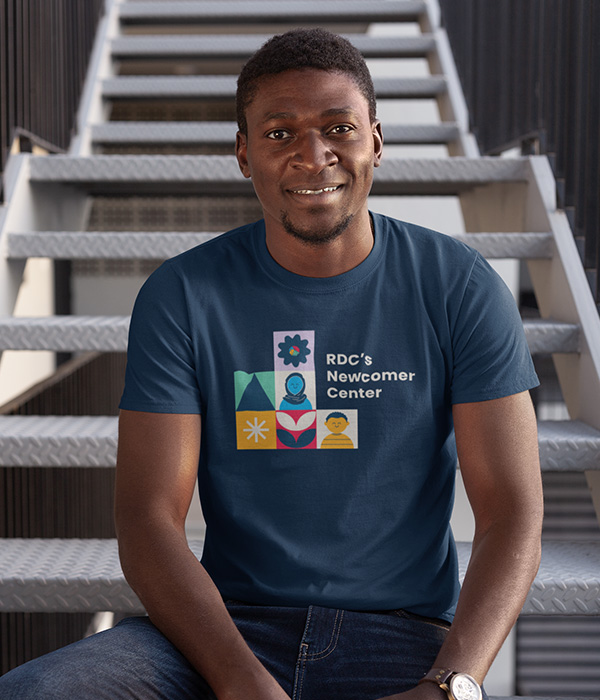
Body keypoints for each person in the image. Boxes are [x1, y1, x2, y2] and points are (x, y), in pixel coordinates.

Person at [0, 28, 543, 700]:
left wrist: (451, 684)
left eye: (338, 127)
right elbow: (146, 518)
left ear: (375, 140)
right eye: (280, 133)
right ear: (243, 152)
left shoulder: (459, 284)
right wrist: (237, 680)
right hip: (222, 632)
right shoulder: (184, 295)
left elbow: (512, 512)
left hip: (402, 635)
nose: (314, 156)